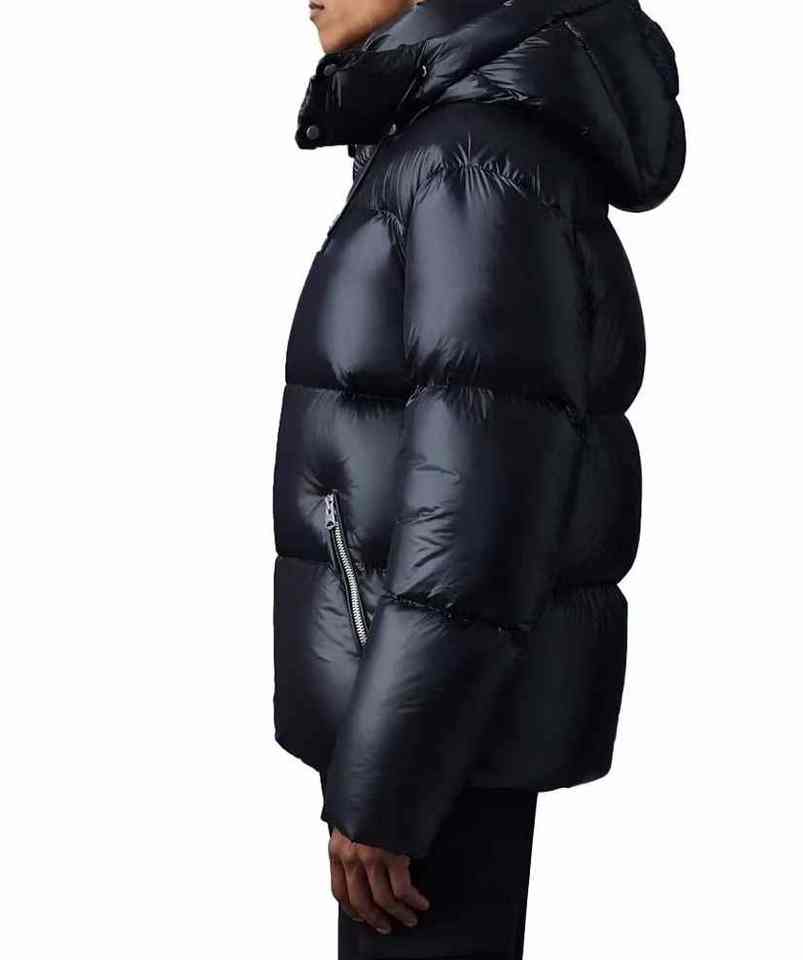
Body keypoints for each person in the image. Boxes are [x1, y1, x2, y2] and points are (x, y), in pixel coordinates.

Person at [273, 0, 684, 955]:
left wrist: (391, 779)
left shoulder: (470, 164)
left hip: (433, 737)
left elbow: (480, 502)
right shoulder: (447, 150)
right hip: (429, 718)